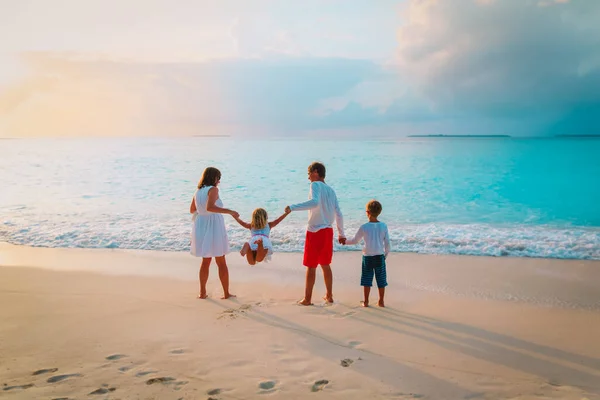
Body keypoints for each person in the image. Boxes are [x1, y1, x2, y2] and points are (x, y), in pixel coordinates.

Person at [285, 162, 345, 306]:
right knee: (325, 264)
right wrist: (341, 233)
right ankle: (329, 296)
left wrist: (292, 207)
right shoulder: (331, 190)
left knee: (311, 266)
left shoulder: (315, 185)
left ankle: (307, 299)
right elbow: (339, 213)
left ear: (316, 172)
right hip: (328, 231)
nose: (308, 178)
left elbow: (314, 202)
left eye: (309, 174)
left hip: (315, 231)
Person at [190, 167, 239, 300]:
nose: (219, 181)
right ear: (214, 178)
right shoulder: (213, 190)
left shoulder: (198, 191)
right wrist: (230, 211)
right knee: (221, 260)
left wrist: (203, 216)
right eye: (219, 178)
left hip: (201, 224)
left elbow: (192, 210)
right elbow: (210, 207)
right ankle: (226, 293)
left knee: (205, 261)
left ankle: (202, 293)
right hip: (213, 225)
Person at [344, 200, 390, 307]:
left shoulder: (364, 227)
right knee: (381, 280)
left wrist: (344, 241)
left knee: (366, 279)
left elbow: (355, 241)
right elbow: (387, 245)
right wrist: (385, 256)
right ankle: (381, 301)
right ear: (379, 212)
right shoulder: (383, 226)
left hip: (368, 257)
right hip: (380, 256)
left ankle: (366, 301)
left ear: (367, 212)